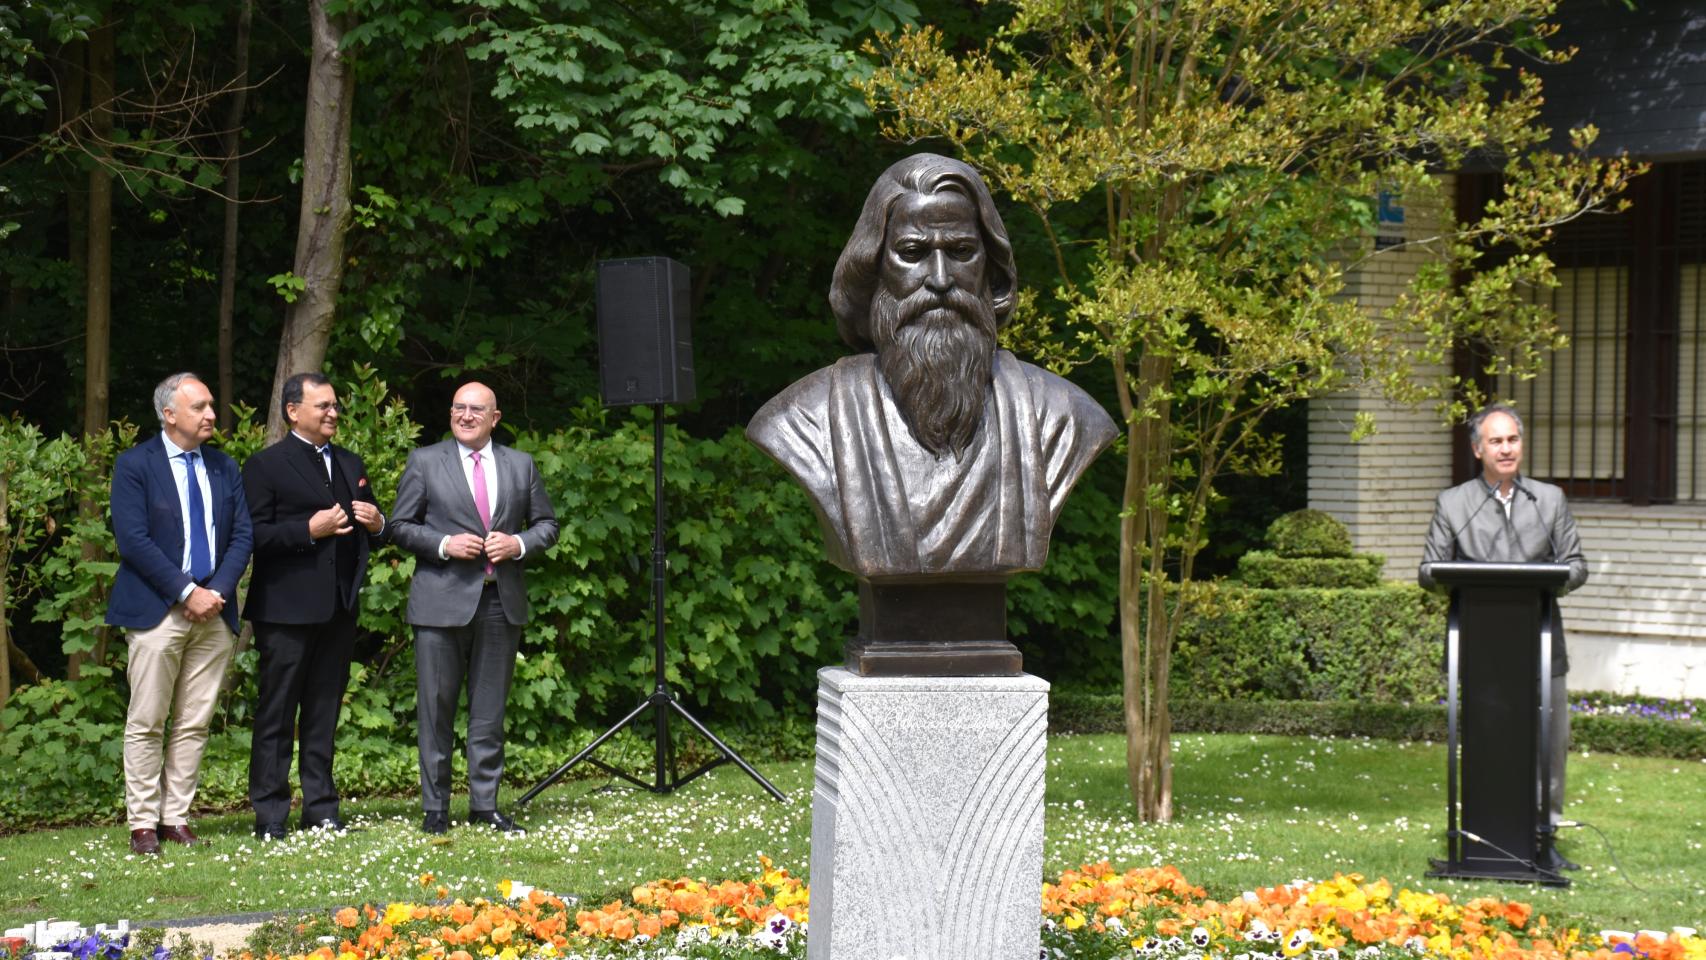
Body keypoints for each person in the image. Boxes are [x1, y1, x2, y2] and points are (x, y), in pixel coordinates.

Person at [746, 153, 1117, 580]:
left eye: (961, 251)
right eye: (912, 252)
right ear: (872, 267)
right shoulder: (802, 421)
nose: (940, 279)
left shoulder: (1063, 417)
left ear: (989, 267)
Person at [1418, 402, 1589, 870]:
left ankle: (1543, 836)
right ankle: (1482, 834)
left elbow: (1576, 566)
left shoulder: (1548, 499)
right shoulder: (1454, 504)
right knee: (1486, 743)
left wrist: (1547, 580)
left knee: (1550, 745)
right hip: (1481, 649)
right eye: (1496, 441)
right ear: (1478, 450)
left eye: (1512, 439)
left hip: (1539, 643)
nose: (1506, 448)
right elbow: (1429, 572)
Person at [387, 382, 559, 834]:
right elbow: (399, 526)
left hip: (500, 602)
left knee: (488, 712)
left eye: (476, 409)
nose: (466, 415)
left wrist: (518, 543)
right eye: (458, 408)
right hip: (440, 603)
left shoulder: (521, 465)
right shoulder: (424, 462)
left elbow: (547, 525)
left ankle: (485, 804)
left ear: (495, 419)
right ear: (450, 414)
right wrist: (443, 543)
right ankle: (436, 809)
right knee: (436, 710)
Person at [107, 373, 253, 855]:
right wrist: (186, 591)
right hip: (158, 611)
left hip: (214, 610)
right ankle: (143, 822)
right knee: (147, 719)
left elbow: (241, 538)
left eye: (212, 405)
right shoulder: (134, 466)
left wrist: (216, 591)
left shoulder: (223, 467)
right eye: (200, 407)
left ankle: (176, 817)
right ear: (169, 414)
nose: (211, 414)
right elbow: (134, 542)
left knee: (194, 721)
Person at [241, 373, 385, 839]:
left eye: (335, 405)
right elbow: (254, 535)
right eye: (322, 405)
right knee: (277, 713)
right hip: (284, 610)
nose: (333, 413)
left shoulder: (349, 462)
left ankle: (321, 807)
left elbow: (371, 528)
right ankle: (270, 813)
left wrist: (378, 522)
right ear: (292, 411)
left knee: (323, 713)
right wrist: (309, 529)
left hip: (338, 611)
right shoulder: (266, 465)